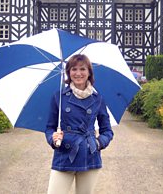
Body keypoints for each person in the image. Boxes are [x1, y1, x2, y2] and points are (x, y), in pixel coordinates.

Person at [45, 54, 114, 194]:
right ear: (68, 72)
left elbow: (107, 131)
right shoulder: (59, 97)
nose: (78, 73)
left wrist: (99, 143)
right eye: (73, 69)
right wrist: (53, 138)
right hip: (64, 153)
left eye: (82, 69)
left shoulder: (98, 99)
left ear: (89, 72)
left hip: (89, 155)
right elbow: (49, 127)